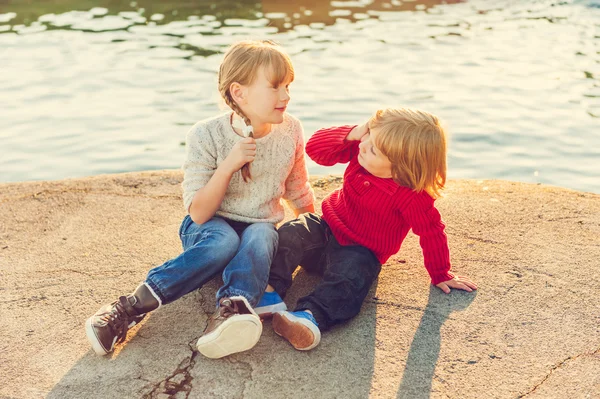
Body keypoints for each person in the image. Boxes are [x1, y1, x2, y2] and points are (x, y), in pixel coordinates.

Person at [85, 40, 314, 359]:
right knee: (224, 242)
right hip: (210, 227)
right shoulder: (205, 135)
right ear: (239, 92)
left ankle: (230, 313)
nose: (286, 96)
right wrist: (230, 164)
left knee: (263, 233)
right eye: (275, 87)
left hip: (258, 229)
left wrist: (318, 232)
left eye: (288, 86)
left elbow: (297, 189)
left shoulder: (291, 130)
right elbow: (199, 212)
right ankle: (128, 308)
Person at [264, 108, 478, 351]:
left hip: (359, 252)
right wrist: (353, 133)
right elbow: (315, 149)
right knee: (292, 232)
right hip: (326, 230)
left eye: (374, 147)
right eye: (368, 136)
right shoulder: (361, 151)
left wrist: (441, 273)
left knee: (350, 280)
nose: (364, 145)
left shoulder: (412, 197)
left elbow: (432, 232)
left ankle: (308, 317)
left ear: (401, 167)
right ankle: (269, 292)